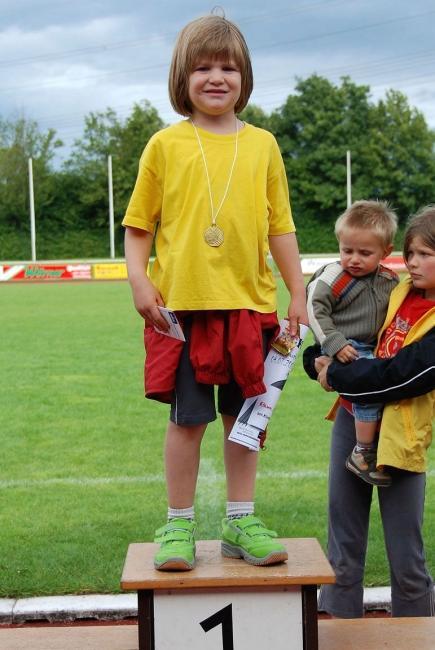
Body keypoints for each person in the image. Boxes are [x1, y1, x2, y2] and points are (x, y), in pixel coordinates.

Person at [122, 14, 307, 571]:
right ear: (183, 77)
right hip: (182, 309)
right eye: (203, 67)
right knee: (187, 419)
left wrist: (297, 292)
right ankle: (177, 526)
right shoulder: (164, 144)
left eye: (228, 67)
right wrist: (138, 278)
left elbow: (282, 227)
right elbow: (139, 226)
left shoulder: (264, 145)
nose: (216, 77)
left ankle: (240, 521)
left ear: (244, 76)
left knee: (244, 420)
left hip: (250, 305)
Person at [308, 206, 435, 618]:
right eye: (411, 253)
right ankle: (338, 634)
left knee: (407, 561)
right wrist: (318, 358)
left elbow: (398, 376)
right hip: (351, 420)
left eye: (425, 255)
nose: (412, 264)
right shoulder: (395, 290)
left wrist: (337, 373)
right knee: (342, 553)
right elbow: (350, 327)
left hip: (400, 439)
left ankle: (415, 638)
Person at [306, 200, 399, 486]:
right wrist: (333, 344)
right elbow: (313, 306)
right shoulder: (334, 275)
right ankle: (362, 451)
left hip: (372, 346)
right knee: (368, 383)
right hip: (344, 343)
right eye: (347, 251)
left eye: (364, 253)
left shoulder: (389, 279)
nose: (354, 259)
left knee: (380, 381)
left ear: (385, 252)